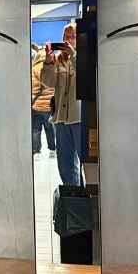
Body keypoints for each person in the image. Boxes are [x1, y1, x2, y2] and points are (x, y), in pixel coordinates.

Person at [40, 23, 84, 187]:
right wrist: (48, 62)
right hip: (60, 119)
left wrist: (74, 55)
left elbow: (87, 77)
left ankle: (86, 198)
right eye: (66, 36)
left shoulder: (82, 58)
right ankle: (72, 199)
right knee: (65, 165)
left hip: (79, 118)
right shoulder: (57, 60)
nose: (69, 40)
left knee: (84, 162)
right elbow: (48, 83)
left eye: (73, 36)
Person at [30, 46, 56, 157]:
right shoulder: (51, 67)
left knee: (36, 129)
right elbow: (53, 86)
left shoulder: (33, 68)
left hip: (36, 106)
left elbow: (33, 87)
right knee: (50, 129)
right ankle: (52, 150)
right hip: (49, 106)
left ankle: (36, 152)